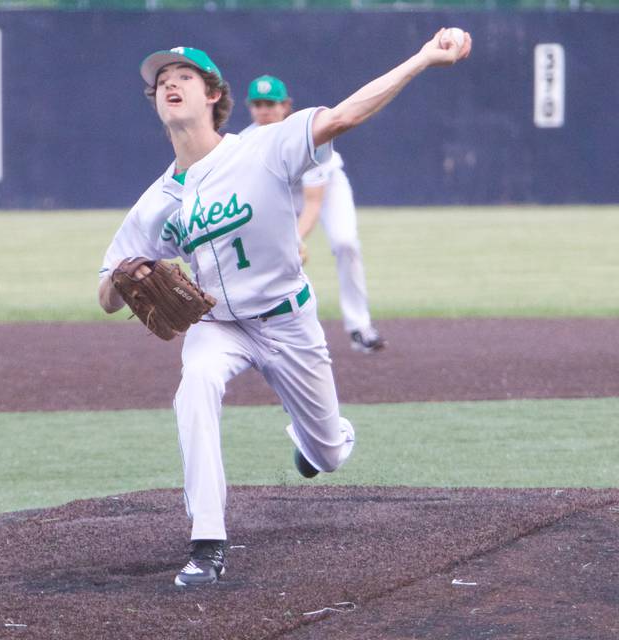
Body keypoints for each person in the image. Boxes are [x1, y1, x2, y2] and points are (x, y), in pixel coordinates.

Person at [98, 32, 472, 587]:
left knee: (329, 454)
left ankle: (312, 440)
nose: (170, 84)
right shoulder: (154, 204)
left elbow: (344, 115)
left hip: (288, 320)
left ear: (213, 96)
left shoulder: (265, 146)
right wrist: (127, 280)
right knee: (194, 384)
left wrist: (421, 57)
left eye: (184, 77)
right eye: (161, 81)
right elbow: (106, 291)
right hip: (219, 326)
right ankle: (207, 542)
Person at [242, 74, 386, 353]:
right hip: (280, 194)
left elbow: (312, 202)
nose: (263, 110)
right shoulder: (245, 143)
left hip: (327, 189)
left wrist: (294, 239)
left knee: (345, 243)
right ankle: (258, 333)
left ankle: (360, 327)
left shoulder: (306, 136)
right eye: (257, 103)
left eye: (270, 103)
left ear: (286, 105)